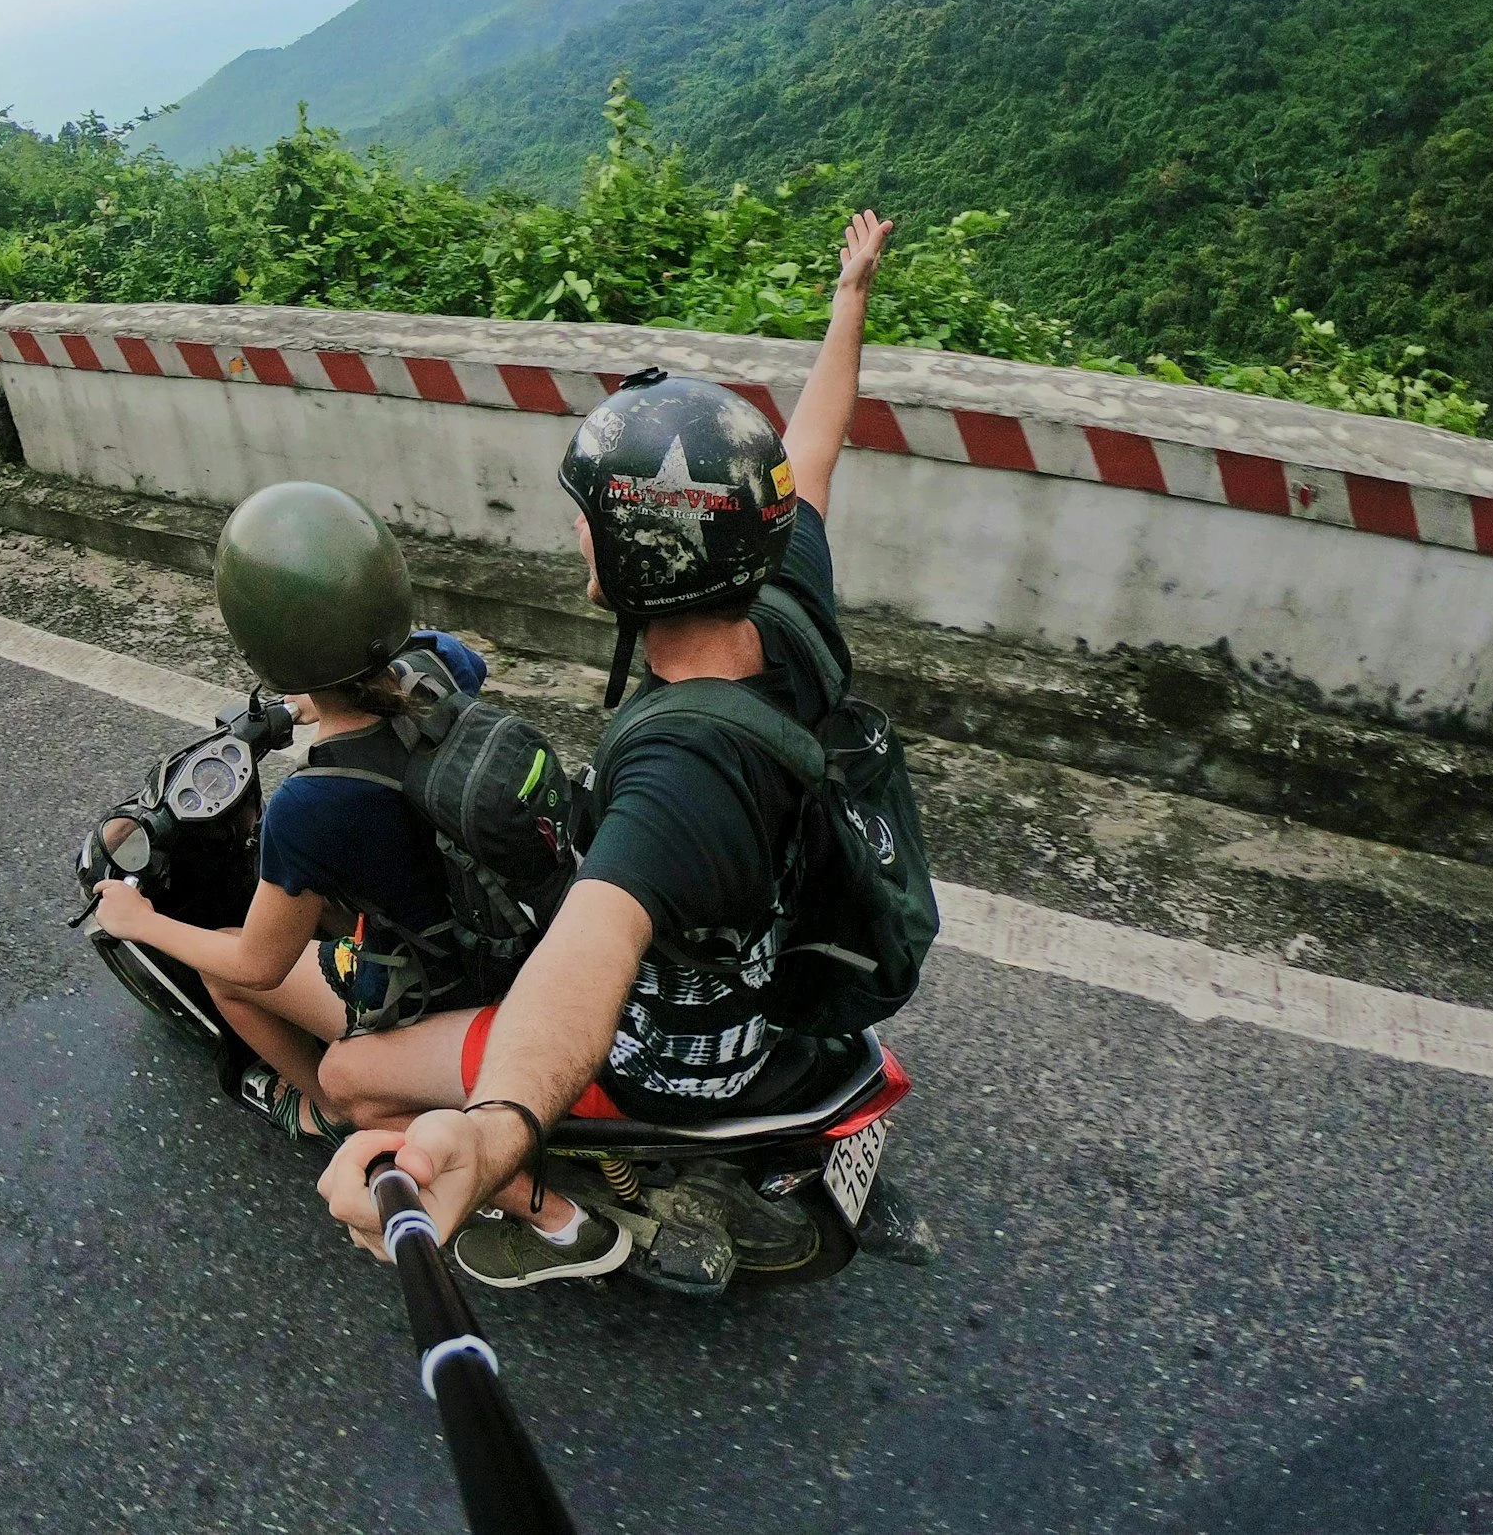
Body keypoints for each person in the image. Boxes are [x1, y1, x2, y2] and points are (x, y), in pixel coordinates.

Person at [316, 208, 896, 1287]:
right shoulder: (784, 594)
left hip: (677, 1056)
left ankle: (547, 1216)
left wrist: (492, 1130)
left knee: (350, 1077)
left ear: (645, 552)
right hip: (769, 953)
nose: (578, 530)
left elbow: (587, 956)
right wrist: (849, 297)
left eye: (591, 516)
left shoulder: (682, 776)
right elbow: (810, 444)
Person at [90, 480, 491, 1148]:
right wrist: (318, 699)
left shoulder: (311, 806)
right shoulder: (441, 663)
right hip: (489, 921)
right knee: (329, 893)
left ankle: (323, 1104)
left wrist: (143, 922)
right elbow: (430, 666)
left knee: (224, 971)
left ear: (264, 649)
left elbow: (258, 964)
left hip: (439, 986)